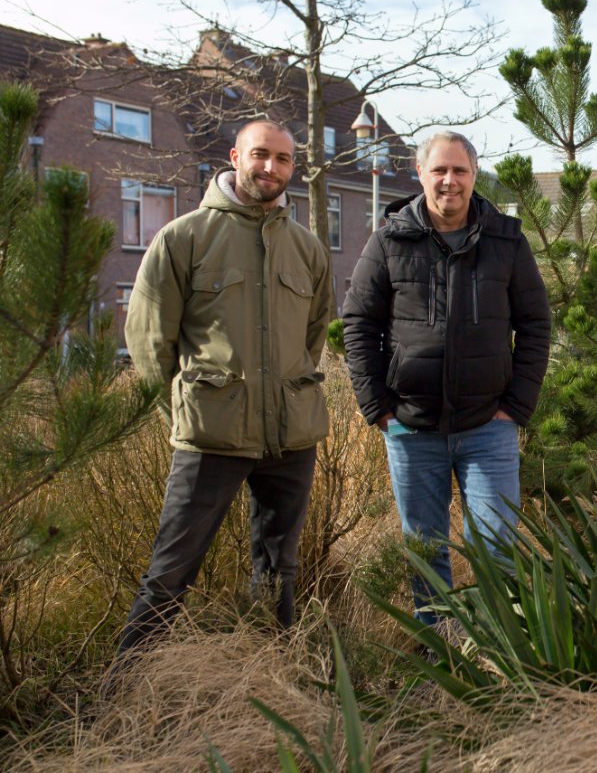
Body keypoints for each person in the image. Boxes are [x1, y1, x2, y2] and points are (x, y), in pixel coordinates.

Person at [117, 119, 334, 655]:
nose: (271, 168)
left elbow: (312, 336)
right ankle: (123, 693)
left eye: (283, 160)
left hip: (290, 439)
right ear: (234, 156)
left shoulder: (307, 249)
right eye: (261, 155)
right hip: (211, 437)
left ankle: (267, 680)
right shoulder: (184, 237)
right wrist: (191, 408)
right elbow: (149, 339)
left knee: (278, 572)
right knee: (170, 572)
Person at [341, 131, 551, 625]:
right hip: (411, 429)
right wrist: (379, 408)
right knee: (426, 551)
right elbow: (358, 322)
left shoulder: (506, 239)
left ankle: (498, 650)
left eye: (459, 170)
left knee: (498, 546)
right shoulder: (390, 238)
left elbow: (536, 324)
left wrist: (514, 407)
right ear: (421, 174)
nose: (449, 181)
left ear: (474, 175)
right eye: (439, 170)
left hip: (488, 428)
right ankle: (442, 654)